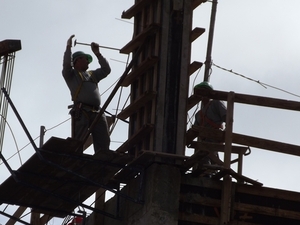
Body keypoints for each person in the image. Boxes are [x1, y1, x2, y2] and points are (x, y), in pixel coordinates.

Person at [62, 35, 111, 154]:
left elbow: (106, 70)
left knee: (103, 140)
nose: (88, 62)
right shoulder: (71, 75)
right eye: (85, 59)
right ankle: (76, 159)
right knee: (79, 140)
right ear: (77, 60)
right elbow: (66, 65)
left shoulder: (92, 75)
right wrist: (68, 48)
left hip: (97, 112)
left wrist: (97, 53)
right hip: (82, 111)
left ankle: (102, 159)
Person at [193, 81, 227, 167]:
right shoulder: (198, 114)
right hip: (204, 140)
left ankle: (211, 169)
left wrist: (225, 134)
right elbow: (194, 130)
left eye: (204, 92)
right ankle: (211, 169)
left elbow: (228, 117)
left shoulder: (216, 103)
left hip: (215, 136)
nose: (203, 95)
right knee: (206, 157)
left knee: (208, 156)